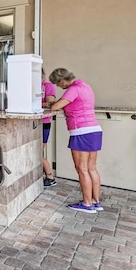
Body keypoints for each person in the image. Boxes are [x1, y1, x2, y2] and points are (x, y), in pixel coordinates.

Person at [49, 68, 103, 213]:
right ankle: (95, 201)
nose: (59, 87)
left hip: (81, 131)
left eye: (58, 84)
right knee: (91, 168)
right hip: (94, 129)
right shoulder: (85, 86)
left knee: (82, 169)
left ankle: (86, 204)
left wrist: (51, 103)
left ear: (62, 80)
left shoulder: (73, 89)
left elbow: (55, 106)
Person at [41, 68, 57, 187]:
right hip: (33, 122)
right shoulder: (29, 85)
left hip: (44, 122)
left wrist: (32, 103)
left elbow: (50, 103)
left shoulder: (48, 86)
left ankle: (50, 176)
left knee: (38, 151)